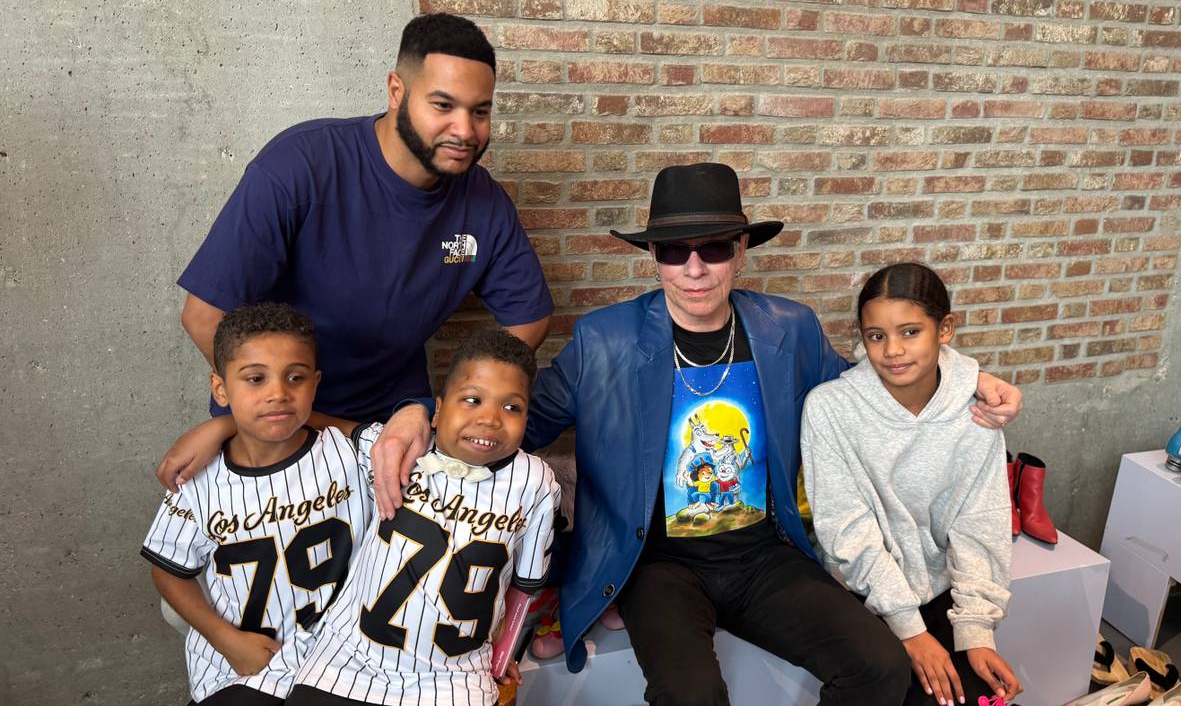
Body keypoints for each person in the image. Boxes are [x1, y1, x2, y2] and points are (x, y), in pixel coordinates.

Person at [378, 163, 1025, 705]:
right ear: (652, 256)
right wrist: (420, 414)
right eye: (673, 250)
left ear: (740, 250)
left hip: (764, 553)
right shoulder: (605, 341)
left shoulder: (785, 329)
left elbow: (869, 387)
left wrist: (968, 376)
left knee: (879, 665)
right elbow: (519, 420)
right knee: (692, 697)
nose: (694, 268)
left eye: (714, 247)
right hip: (656, 564)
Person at [159, 12, 552, 491]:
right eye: (443, 105)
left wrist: (441, 409)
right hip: (276, 425)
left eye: (481, 111)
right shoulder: (299, 166)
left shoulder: (484, 202)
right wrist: (253, 417)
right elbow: (203, 315)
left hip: (396, 428)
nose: (465, 130)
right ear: (396, 91)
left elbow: (528, 318)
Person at [286, 329, 560, 706]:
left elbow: (525, 587)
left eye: (511, 407)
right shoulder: (392, 448)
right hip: (346, 662)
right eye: (472, 400)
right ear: (438, 409)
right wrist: (223, 426)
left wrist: (503, 653)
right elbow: (300, 420)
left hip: (454, 679)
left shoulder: (535, 481)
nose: (490, 419)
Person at [801, 262, 1021, 706]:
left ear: (945, 329)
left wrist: (977, 630)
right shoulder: (830, 409)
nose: (893, 351)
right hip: (861, 590)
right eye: (876, 336)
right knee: (899, 689)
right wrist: (909, 628)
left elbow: (981, 524)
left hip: (940, 586)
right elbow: (846, 531)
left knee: (979, 696)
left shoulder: (977, 411)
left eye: (910, 332)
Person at [141, 303, 373, 705]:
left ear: (315, 384)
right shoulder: (199, 477)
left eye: (295, 378)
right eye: (255, 379)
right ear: (221, 388)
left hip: (344, 663)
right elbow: (168, 571)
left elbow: (407, 440)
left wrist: (228, 420)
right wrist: (224, 638)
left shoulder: (353, 455)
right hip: (241, 666)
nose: (278, 393)